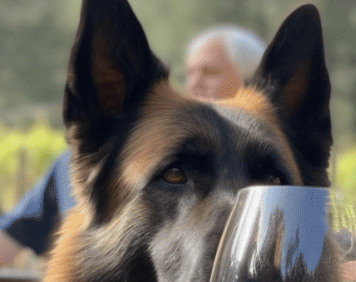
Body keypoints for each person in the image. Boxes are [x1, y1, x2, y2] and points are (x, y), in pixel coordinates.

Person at [0, 25, 266, 266]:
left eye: (210, 72)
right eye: (189, 73)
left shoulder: (264, 174)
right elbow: (8, 242)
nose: (194, 84)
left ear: (253, 82)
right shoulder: (70, 164)